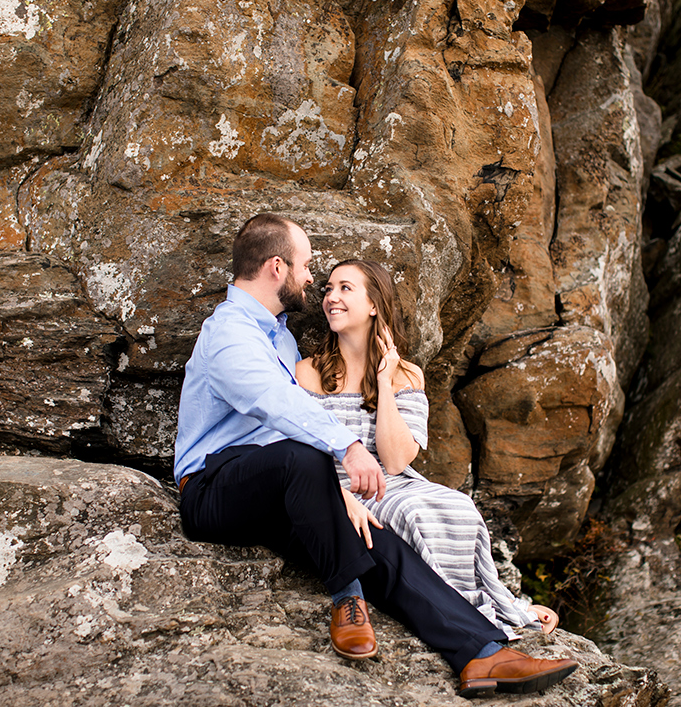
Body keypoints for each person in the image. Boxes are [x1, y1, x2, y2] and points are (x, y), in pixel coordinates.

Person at [175, 214, 577, 698]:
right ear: (277, 267)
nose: (311, 281)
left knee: (378, 539)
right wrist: (346, 449)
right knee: (303, 462)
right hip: (215, 490)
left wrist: (331, 495)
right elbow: (275, 404)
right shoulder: (230, 332)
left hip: (279, 488)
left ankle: (481, 653)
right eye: (306, 267)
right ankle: (348, 599)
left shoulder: (277, 334)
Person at [296, 259, 559, 640]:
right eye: (329, 289)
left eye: (345, 288)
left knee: (459, 505)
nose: (331, 298)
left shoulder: (406, 374)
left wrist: (384, 383)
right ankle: (467, 616)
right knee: (413, 512)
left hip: (394, 481)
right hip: (339, 490)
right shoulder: (309, 372)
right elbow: (299, 449)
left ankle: (489, 601)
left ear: (374, 305)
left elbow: (397, 459)